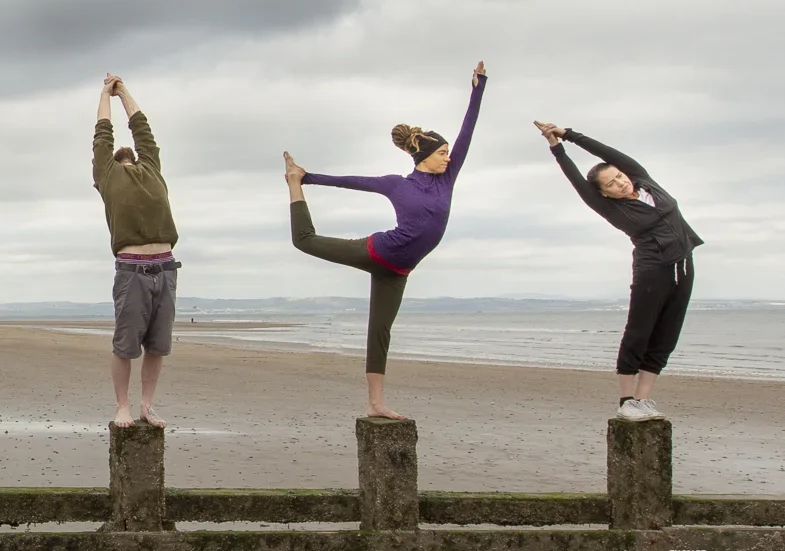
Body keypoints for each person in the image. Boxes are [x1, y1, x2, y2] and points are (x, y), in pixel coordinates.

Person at [282, 62, 487, 419]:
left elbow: (467, 132)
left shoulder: (447, 179)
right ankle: (293, 186)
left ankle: (376, 403)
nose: (448, 157)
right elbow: (354, 181)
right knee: (305, 241)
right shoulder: (397, 184)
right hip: (378, 251)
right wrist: (307, 177)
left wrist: (477, 88)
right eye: (442, 153)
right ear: (424, 157)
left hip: (399, 271)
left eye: (448, 153)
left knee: (380, 330)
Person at [533, 121, 703, 421]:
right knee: (640, 331)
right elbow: (576, 180)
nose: (620, 183)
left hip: (684, 266)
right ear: (605, 195)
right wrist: (556, 148)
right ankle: (626, 400)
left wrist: (570, 135)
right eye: (611, 184)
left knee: (667, 335)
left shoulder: (645, 181)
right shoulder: (611, 207)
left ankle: (644, 399)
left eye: (619, 177)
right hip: (653, 271)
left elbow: (609, 153)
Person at [93, 74, 179, 428]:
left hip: (167, 268)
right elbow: (102, 132)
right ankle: (122, 406)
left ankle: (146, 405)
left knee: (158, 346)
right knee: (125, 345)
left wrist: (124, 91)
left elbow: (142, 129)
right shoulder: (107, 173)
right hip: (132, 271)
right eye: (119, 151)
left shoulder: (152, 167)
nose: (126, 149)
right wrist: (104, 94)